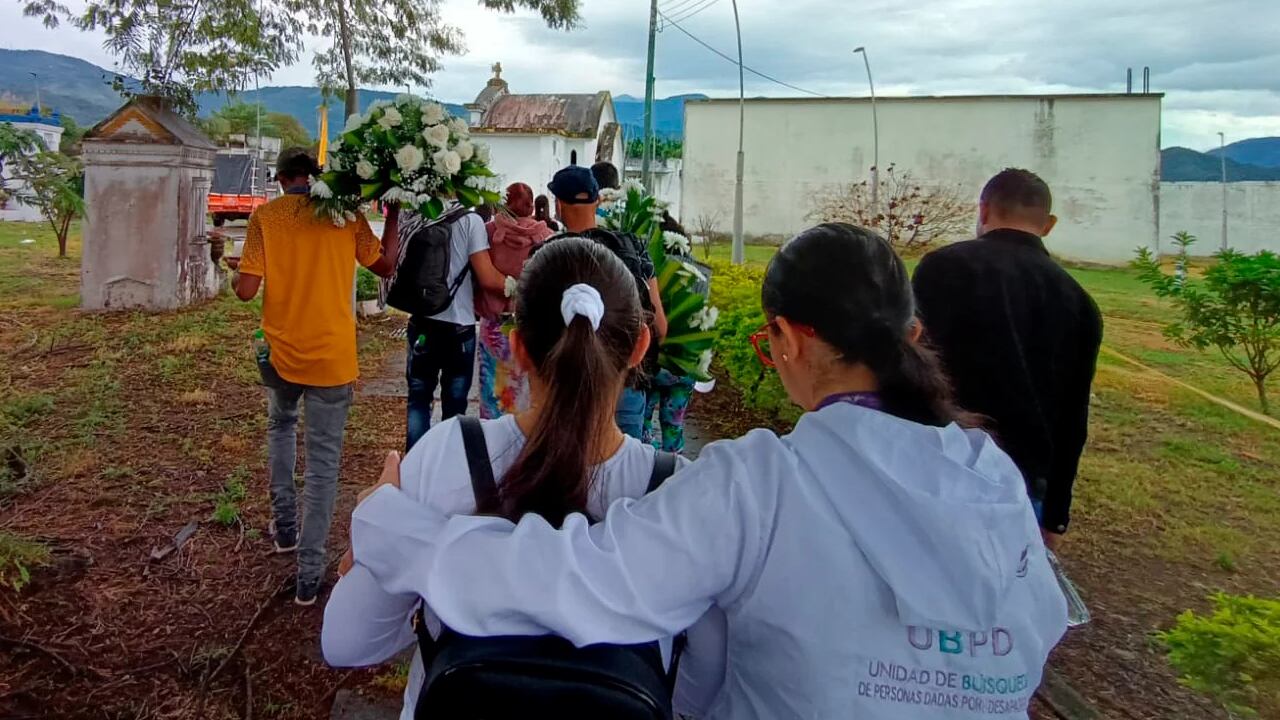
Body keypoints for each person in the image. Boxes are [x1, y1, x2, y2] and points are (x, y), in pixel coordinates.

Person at [348, 223, 1070, 719]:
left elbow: (577, 581)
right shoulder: (994, 481)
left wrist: (393, 527)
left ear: (787, 339)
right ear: (910, 336)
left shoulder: (761, 485)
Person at [323, 237, 723, 717]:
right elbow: (697, 692)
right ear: (640, 345)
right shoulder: (679, 493)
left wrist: (382, 533)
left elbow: (347, 641)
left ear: (517, 348)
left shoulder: (448, 453)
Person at [225, 147, 401, 606]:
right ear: (315, 176)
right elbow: (385, 265)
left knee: (281, 427)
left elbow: (246, 292)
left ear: (282, 179)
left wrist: (234, 274)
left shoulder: (267, 218)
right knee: (323, 464)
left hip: (280, 352)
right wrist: (395, 213)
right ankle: (309, 573)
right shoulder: (344, 216)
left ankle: (284, 528)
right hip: (332, 357)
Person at [912, 169, 1103, 550]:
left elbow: (910, 365)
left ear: (984, 210)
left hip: (939, 463)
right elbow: (1073, 415)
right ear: (1048, 224)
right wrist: (1056, 514)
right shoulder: (1079, 301)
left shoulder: (941, 268)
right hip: (1022, 480)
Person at [546, 165, 668, 439]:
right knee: (628, 462)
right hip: (626, 384)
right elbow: (659, 326)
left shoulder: (547, 255)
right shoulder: (634, 248)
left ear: (558, 205)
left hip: (569, 392)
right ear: (598, 200)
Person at [402, 200, 510, 451]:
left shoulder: (418, 214)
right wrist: (518, 283)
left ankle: (414, 465)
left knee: (418, 400)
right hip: (458, 328)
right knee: (455, 406)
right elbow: (488, 278)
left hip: (422, 322)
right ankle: (449, 461)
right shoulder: (470, 222)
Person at [476, 183, 554, 418]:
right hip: (530, 325)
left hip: (494, 323)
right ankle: (522, 432)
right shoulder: (546, 236)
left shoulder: (488, 232)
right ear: (531, 206)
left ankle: (492, 433)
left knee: (492, 388)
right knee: (526, 388)